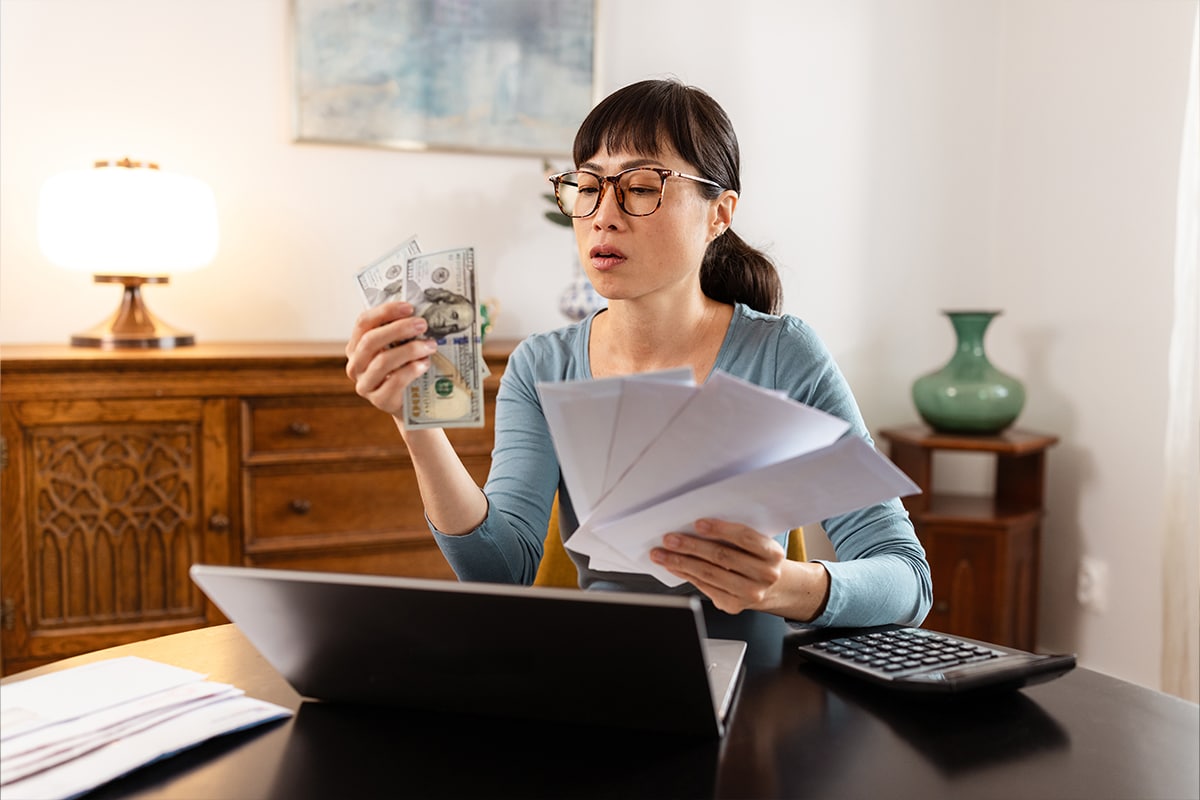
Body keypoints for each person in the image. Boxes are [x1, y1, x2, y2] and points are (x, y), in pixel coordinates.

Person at [346, 78, 931, 627]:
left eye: (642, 188)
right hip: (601, 678)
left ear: (719, 215)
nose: (603, 214)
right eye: (588, 185)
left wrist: (783, 586)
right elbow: (502, 570)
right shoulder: (541, 365)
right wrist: (415, 423)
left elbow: (906, 578)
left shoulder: (781, 354)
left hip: (750, 685)